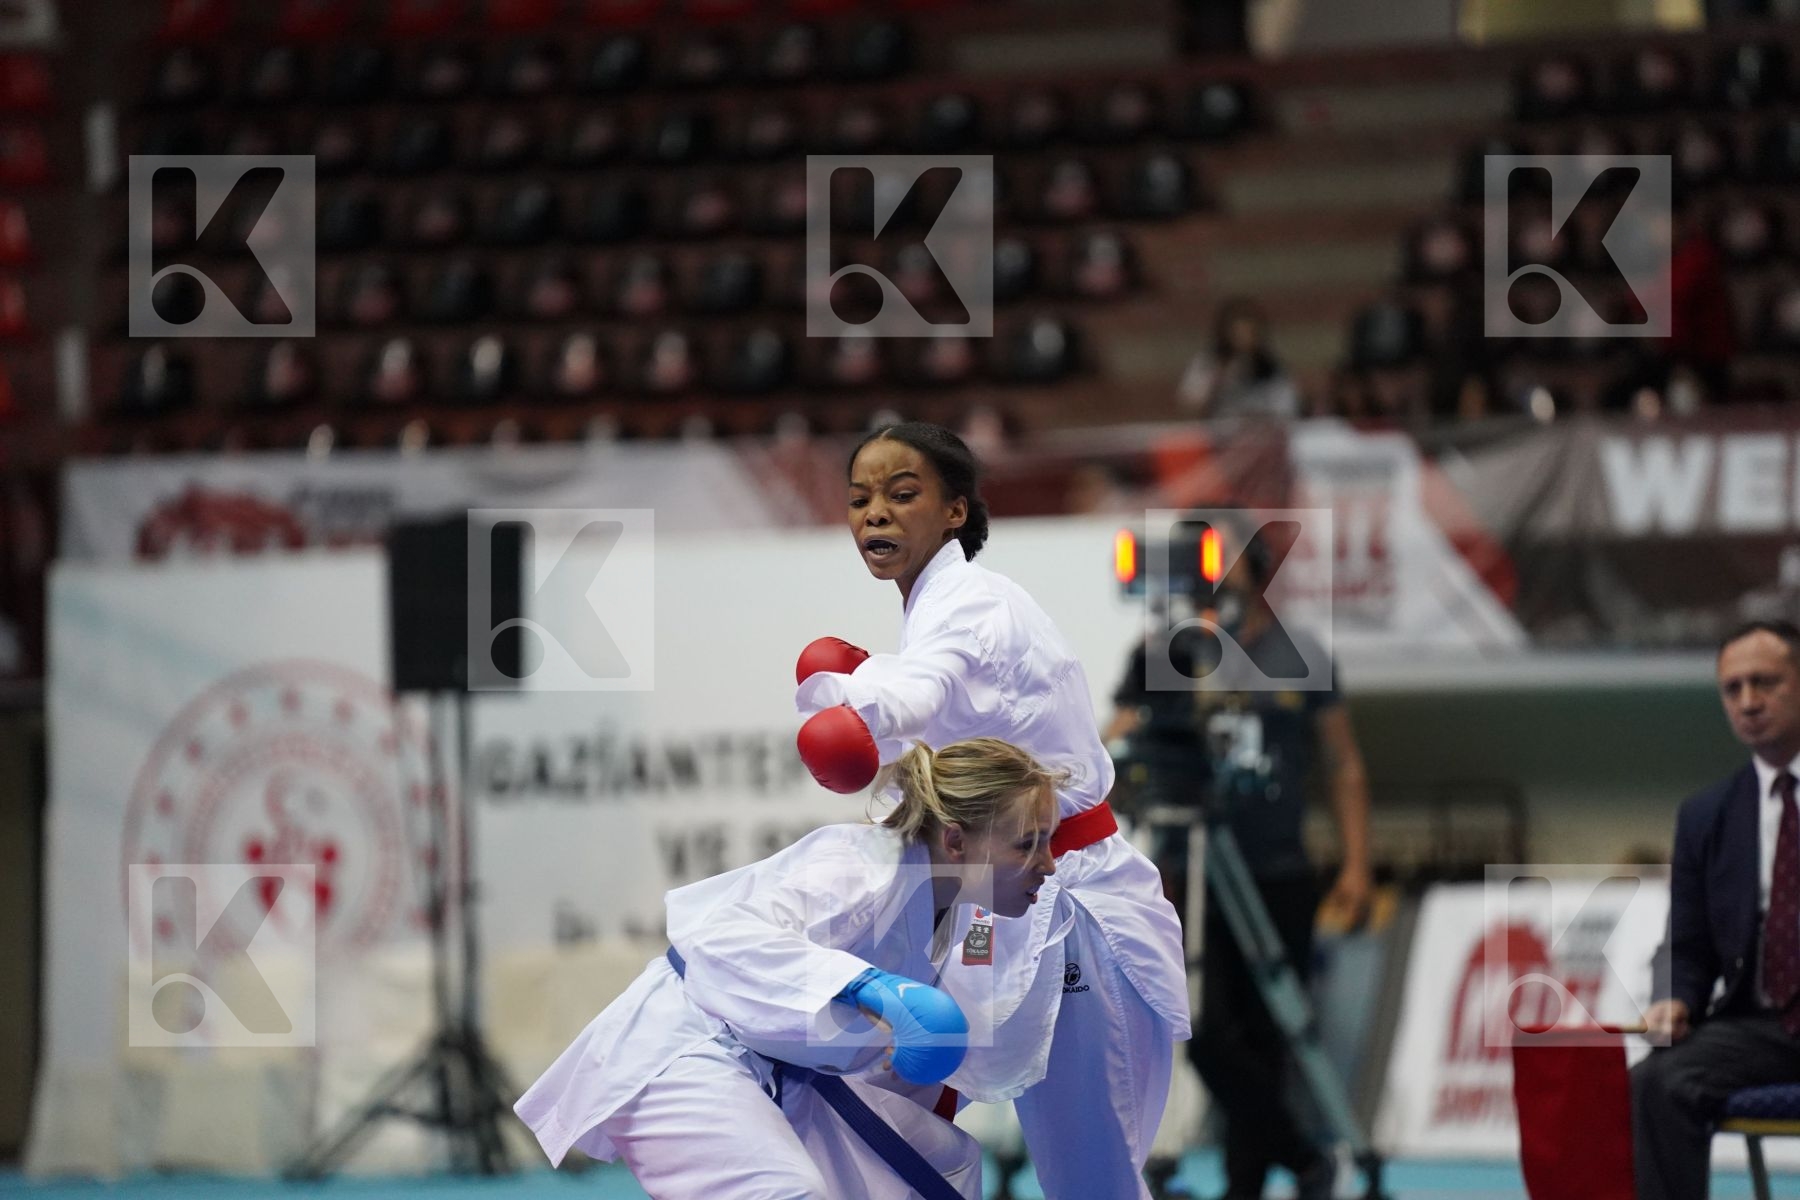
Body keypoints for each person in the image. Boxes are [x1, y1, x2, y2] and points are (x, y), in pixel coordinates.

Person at [794, 421, 1191, 1200]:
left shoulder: (969, 605)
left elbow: (923, 691)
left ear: (954, 512)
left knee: (1092, 1183)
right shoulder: (940, 609)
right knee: (900, 1104)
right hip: (993, 913)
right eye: (860, 499)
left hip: (1072, 909)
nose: (875, 513)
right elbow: (941, 701)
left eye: (902, 494)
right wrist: (859, 676)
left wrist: (848, 699)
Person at [514, 737, 1065, 1200]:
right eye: (1027, 844)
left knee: (943, 1167)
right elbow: (719, 936)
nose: (1047, 862)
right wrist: (870, 987)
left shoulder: (969, 910)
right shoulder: (860, 865)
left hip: (791, 1074)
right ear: (954, 839)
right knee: (788, 1194)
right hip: (690, 1050)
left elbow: (966, 1011)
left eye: (1050, 841)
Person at [1104, 521, 1372, 1200]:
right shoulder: (1171, 649)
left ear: (1255, 567)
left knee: (1271, 1034)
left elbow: (1342, 762)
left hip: (1276, 866)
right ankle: (1307, 1161)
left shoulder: (1300, 652)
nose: (1212, 572)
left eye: (1222, 555)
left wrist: (1357, 863)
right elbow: (1120, 733)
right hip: (1189, 868)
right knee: (1203, 1025)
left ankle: (1246, 1184)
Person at [1633, 620, 1800, 1200]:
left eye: (1765, 682)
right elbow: (1686, 941)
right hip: (1761, 1027)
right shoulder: (1706, 816)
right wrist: (1674, 996)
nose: (1749, 702)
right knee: (1657, 1080)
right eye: (1733, 689)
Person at [1177, 297, 1301, 421]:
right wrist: (1219, 378)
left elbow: (1288, 406)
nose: (1244, 340)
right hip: (1221, 430)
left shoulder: (1271, 365)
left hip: (1263, 431)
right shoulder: (1209, 361)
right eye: (1237, 334)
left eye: (1250, 333)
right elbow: (1190, 405)